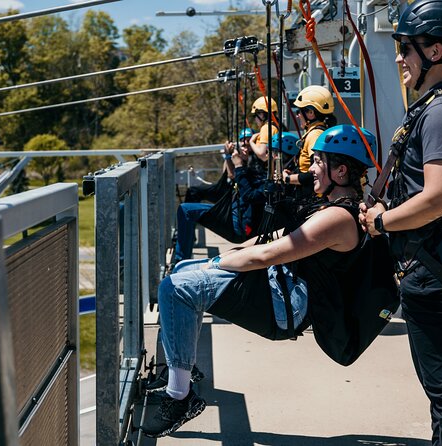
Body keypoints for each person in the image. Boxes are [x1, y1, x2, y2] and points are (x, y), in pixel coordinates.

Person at [142, 125, 376, 438]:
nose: (310, 169)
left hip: (287, 307)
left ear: (341, 170)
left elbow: (267, 256)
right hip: (282, 287)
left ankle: (179, 396)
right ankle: (181, 370)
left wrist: (217, 261)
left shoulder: (336, 218)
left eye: (319, 162)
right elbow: (273, 239)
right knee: (183, 269)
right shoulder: (329, 208)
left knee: (175, 288)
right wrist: (227, 257)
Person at [359, 1, 442, 444]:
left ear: (435, 52)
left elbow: (438, 195)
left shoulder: (441, 113)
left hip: (438, 272)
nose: (399, 59)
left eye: (405, 49)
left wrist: (382, 221)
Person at [171, 128, 266, 264]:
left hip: (237, 224)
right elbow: (229, 175)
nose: (245, 147)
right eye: (242, 143)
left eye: (249, 143)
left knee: (186, 210)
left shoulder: (255, 166)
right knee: (190, 200)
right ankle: (184, 251)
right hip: (233, 211)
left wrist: (239, 164)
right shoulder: (247, 163)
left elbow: (237, 179)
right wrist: (229, 157)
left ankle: (180, 262)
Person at [283, 85, 337, 187]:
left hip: (312, 197)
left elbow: (317, 173)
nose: (297, 115)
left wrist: (288, 179)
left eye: (299, 111)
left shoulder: (314, 135)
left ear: (311, 113)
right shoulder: (317, 132)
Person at [184, 128, 255, 204]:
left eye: (248, 141)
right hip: (223, 186)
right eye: (243, 142)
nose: (246, 145)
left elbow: (232, 175)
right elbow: (225, 173)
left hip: (233, 191)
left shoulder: (255, 158)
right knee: (193, 191)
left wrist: (232, 158)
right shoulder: (237, 154)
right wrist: (229, 155)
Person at [248, 96, 280, 161]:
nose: (255, 119)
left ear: (261, 114)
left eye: (255, 116)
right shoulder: (276, 125)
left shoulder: (266, 128)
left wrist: (251, 142)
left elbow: (262, 155)